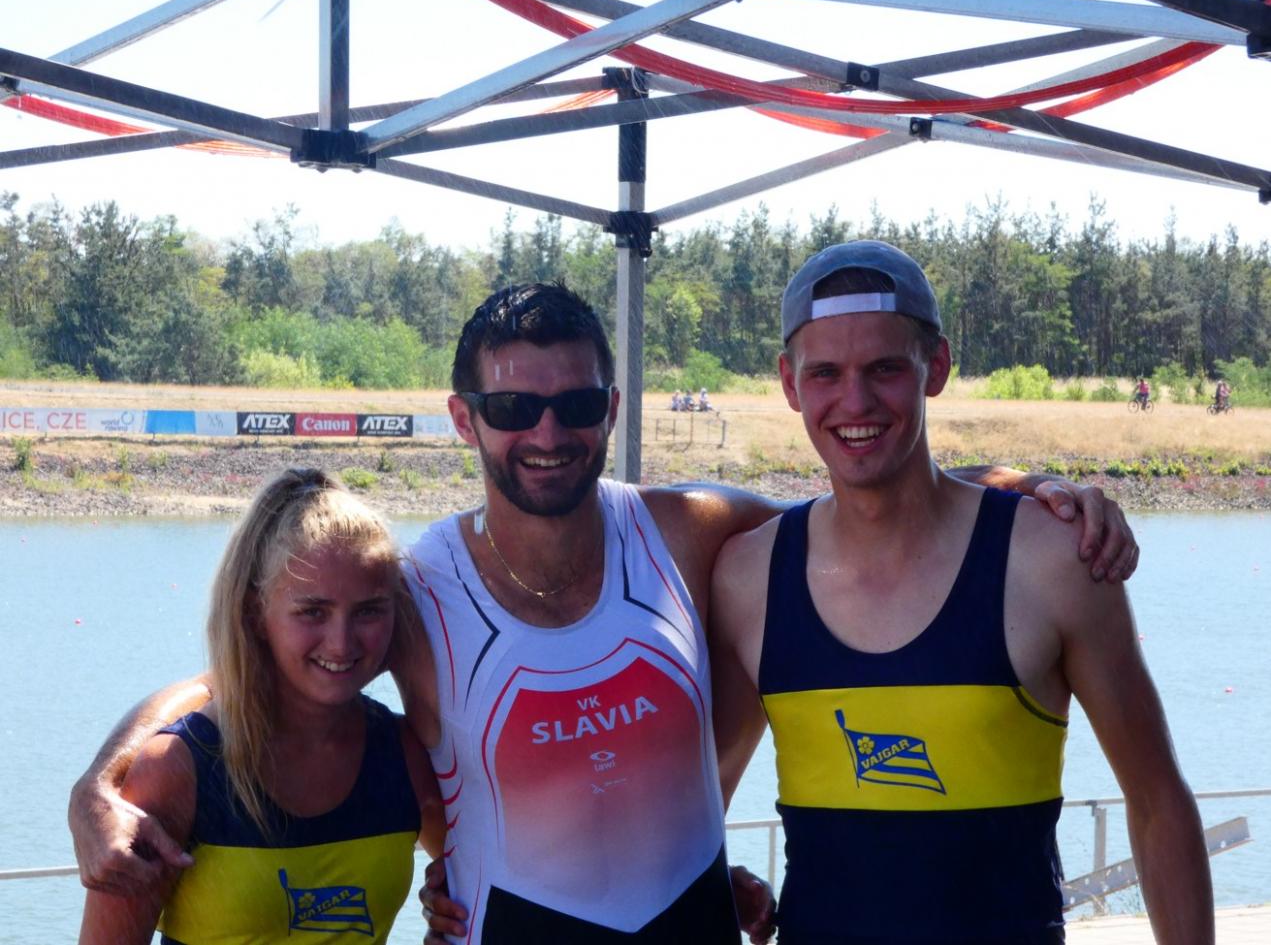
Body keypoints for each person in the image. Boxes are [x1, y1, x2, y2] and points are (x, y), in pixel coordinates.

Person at [69, 285, 1138, 945]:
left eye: (576, 404)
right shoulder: (417, 587)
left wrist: (1016, 485)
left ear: (610, 408)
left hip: (691, 925)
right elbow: (254, 669)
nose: (547, 432)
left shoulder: (685, 530)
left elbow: (869, 512)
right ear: (464, 418)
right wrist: (98, 786)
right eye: (513, 407)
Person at [708, 242, 1212, 945]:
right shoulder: (747, 578)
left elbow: (1157, 802)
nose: (855, 401)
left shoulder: (1051, 560)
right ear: (790, 384)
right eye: (826, 373)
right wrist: (720, 882)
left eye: (885, 368)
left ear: (936, 367)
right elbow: (695, 814)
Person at [77, 468, 444, 945]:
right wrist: (92, 788)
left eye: (368, 610)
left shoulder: (403, 756)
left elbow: (472, 877)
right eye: (312, 611)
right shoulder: (179, 770)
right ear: (256, 613)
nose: (342, 642)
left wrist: (450, 917)